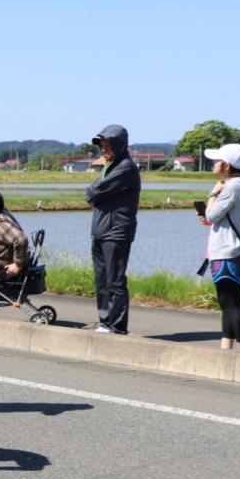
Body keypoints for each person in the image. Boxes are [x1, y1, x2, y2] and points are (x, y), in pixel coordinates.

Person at [200, 143, 240, 352]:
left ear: (226, 165)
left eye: (216, 161)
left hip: (228, 251)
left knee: (231, 302)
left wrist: (214, 193)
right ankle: (225, 350)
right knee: (227, 302)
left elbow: (210, 215)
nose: (213, 164)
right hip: (236, 250)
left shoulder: (232, 186)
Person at [85, 124, 140, 334]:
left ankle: (116, 326)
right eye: (101, 145)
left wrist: (95, 193)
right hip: (100, 229)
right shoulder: (110, 166)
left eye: (107, 145)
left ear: (119, 145)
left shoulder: (125, 167)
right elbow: (93, 193)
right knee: (101, 279)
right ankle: (105, 321)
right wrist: (95, 193)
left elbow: (94, 192)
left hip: (116, 231)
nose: (103, 149)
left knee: (114, 279)